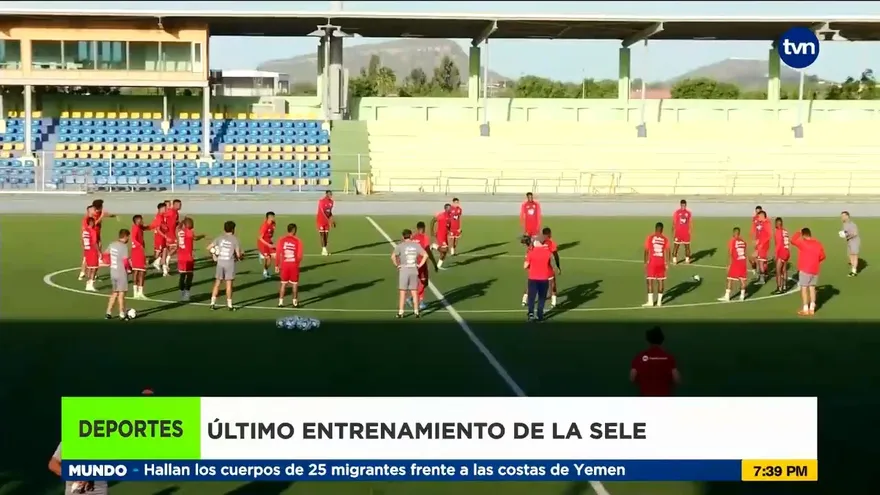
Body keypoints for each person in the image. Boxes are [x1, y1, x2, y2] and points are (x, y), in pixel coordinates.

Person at [630, 326, 681, 396]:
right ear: (662, 340)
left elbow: (632, 377)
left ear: (648, 340)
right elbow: (676, 379)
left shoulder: (639, 357)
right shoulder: (669, 358)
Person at [392, 229, 429, 319]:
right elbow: (426, 255)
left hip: (404, 270)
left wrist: (397, 265)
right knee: (414, 292)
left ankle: (401, 312)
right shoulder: (416, 245)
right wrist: (420, 265)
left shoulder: (400, 246)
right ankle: (416, 312)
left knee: (402, 292)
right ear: (411, 236)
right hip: (413, 269)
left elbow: (393, 256)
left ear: (403, 237)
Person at [520, 227, 561, 308]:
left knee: (531, 283)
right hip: (546, 267)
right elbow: (555, 255)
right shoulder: (551, 242)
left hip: (534, 266)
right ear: (549, 234)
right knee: (552, 283)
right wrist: (558, 266)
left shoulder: (536, 240)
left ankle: (524, 300)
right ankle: (554, 302)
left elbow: (529, 247)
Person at [208, 220, 243, 311]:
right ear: (233, 229)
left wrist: (214, 254)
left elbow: (209, 248)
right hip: (229, 263)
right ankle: (230, 305)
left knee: (217, 283)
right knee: (229, 284)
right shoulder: (235, 239)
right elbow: (238, 254)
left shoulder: (219, 238)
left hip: (220, 263)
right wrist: (242, 255)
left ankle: (212, 303)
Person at [791, 227, 826, 316]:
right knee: (812, 288)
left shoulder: (803, 243)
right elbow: (822, 256)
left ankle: (805, 309)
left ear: (803, 235)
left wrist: (798, 232)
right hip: (815, 270)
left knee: (804, 288)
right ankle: (812, 308)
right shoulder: (818, 244)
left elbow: (792, 240)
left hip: (805, 269)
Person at [524, 236, 553, 321]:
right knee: (541, 298)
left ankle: (531, 314)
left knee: (531, 297)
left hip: (533, 278)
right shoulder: (547, 253)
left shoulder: (531, 252)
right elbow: (550, 264)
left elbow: (525, 266)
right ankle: (540, 315)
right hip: (544, 278)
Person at [410, 221, 438, 310]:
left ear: (417, 228)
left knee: (423, 283)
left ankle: (411, 298)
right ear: (424, 228)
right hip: (421, 263)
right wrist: (434, 263)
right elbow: (428, 251)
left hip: (412, 263)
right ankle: (420, 302)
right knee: (423, 282)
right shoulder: (425, 237)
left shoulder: (413, 237)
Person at [104, 229, 131, 320]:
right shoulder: (124, 247)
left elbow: (106, 254)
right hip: (121, 273)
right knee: (121, 294)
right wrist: (129, 269)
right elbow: (125, 261)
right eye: (128, 237)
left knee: (114, 293)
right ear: (125, 236)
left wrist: (109, 262)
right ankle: (122, 313)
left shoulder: (112, 244)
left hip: (113, 272)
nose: (128, 239)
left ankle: (108, 312)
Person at [176, 217, 206, 302]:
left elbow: (178, 228)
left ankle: (182, 294)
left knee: (182, 276)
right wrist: (203, 235)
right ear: (186, 224)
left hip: (180, 257)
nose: (192, 225)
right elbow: (195, 238)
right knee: (189, 276)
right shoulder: (189, 232)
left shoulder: (179, 231)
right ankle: (186, 295)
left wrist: (181, 223)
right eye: (191, 223)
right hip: (188, 258)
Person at [275, 223, 304, 307]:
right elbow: (299, 255)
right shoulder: (298, 241)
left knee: (283, 283)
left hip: (284, 265)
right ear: (294, 230)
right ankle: (295, 303)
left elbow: (278, 253)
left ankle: (280, 302)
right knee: (294, 284)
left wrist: (277, 265)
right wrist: (297, 264)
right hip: (293, 265)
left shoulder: (281, 240)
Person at [643, 222, 670, 307]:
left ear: (655, 228)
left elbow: (646, 250)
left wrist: (645, 262)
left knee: (650, 281)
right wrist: (667, 263)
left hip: (652, 262)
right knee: (660, 281)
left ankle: (650, 302)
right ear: (662, 229)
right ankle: (659, 302)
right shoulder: (665, 239)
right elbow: (668, 251)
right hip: (661, 262)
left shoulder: (650, 237)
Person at [129, 214, 156, 300]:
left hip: (139, 252)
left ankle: (139, 292)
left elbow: (148, 227)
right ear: (137, 221)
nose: (142, 221)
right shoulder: (135, 228)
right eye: (141, 220)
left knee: (141, 271)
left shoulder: (139, 227)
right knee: (138, 271)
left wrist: (155, 224)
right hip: (137, 252)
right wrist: (139, 245)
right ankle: (136, 292)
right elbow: (133, 239)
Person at [718, 227, 748, 302]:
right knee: (742, 280)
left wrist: (728, 264)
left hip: (735, 262)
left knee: (729, 279)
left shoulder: (732, 241)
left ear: (734, 233)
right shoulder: (743, 242)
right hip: (743, 262)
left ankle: (727, 296)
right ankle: (742, 296)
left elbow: (730, 253)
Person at [750, 208, 771, 283]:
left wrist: (761, 243)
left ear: (762, 216)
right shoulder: (762, 223)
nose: (758, 218)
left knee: (761, 262)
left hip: (763, 246)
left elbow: (768, 235)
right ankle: (759, 276)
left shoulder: (766, 223)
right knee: (754, 258)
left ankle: (762, 279)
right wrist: (756, 240)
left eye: (759, 216)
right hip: (759, 245)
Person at [78, 205, 97, 281]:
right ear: (89, 210)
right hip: (90, 241)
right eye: (93, 210)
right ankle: (83, 273)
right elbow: (85, 230)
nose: (95, 211)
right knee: (87, 258)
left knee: (88, 258)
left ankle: (88, 274)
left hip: (92, 240)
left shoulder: (93, 218)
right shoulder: (86, 219)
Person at [430, 204, 452, 269]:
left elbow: (448, 224)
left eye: (450, 208)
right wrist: (432, 231)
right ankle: (434, 245)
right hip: (440, 235)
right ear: (445, 209)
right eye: (448, 208)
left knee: (444, 252)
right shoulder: (441, 215)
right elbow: (432, 221)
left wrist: (449, 230)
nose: (450, 210)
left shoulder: (450, 216)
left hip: (445, 235)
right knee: (445, 249)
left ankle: (438, 265)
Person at [151, 202, 171, 274]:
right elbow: (158, 229)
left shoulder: (162, 216)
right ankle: (148, 262)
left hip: (162, 237)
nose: (166, 209)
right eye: (165, 208)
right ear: (161, 208)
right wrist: (165, 236)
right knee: (157, 254)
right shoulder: (159, 217)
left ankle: (164, 269)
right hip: (159, 238)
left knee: (165, 250)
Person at [774, 217, 792, 293]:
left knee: (778, 271)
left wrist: (775, 254)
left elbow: (778, 244)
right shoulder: (785, 231)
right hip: (787, 252)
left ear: (777, 224)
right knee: (784, 270)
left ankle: (779, 288)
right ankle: (785, 286)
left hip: (781, 252)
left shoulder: (778, 231)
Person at [671, 199, 693, 264]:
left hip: (686, 233)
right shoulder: (677, 212)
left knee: (687, 246)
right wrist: (672, 231)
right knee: (676, 246)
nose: (683, 206)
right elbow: (674, 222)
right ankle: (674, 260)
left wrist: (690, 231)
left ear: (686, 205)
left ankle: (687, 259)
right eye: (682, 205)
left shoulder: (688, 213)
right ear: (680, 205)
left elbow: (690, 222)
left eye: (684, 205)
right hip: (678, 233)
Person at [82, 216, 100, 292]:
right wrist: (99, 252)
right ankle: (90, 284)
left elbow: (83, 242)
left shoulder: (84, 231)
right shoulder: (93, 231)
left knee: (90, 267)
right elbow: (95, 242)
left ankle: (88, 284)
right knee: (94, 268)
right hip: (92, 251)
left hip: (87, 251)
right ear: (92, 223)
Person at [257, 211, 277, 279]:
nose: (274, 218)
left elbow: (271, 234)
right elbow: (260, 238)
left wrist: (271, 242)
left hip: (269, 242)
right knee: (268, 259)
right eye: (273, 217)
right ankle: (265, 272)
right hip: (262, 244)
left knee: (276, 256)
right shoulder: (264, 226)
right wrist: (268, 245)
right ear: (269, 217)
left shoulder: (273, 224)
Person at [841, 211, 860, 277]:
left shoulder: (852, 224)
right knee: (850, 255)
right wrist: (843, 234)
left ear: (847, 216)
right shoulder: (844, 224)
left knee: (854, 255)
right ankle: (853, 269)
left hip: (854, 241)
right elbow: (846, 232)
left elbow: (855, 233)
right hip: (849, 241)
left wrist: (847, 236)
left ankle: (854, 271)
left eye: (843, 216)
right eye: (841, 216)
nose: (842, 217)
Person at [317, 190, 336, 256]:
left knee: (326, 236)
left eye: (331, 194)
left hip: (327, 221)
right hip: (321, 221)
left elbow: (329, 212)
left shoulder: (332, 202)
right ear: (326, 194)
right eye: (329, 194)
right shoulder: (321, 201)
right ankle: (323, 250)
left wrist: (332, 220)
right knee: (322, 235)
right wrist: (328, 220)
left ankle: (325, 249)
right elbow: (322, 212)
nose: (331, 195)